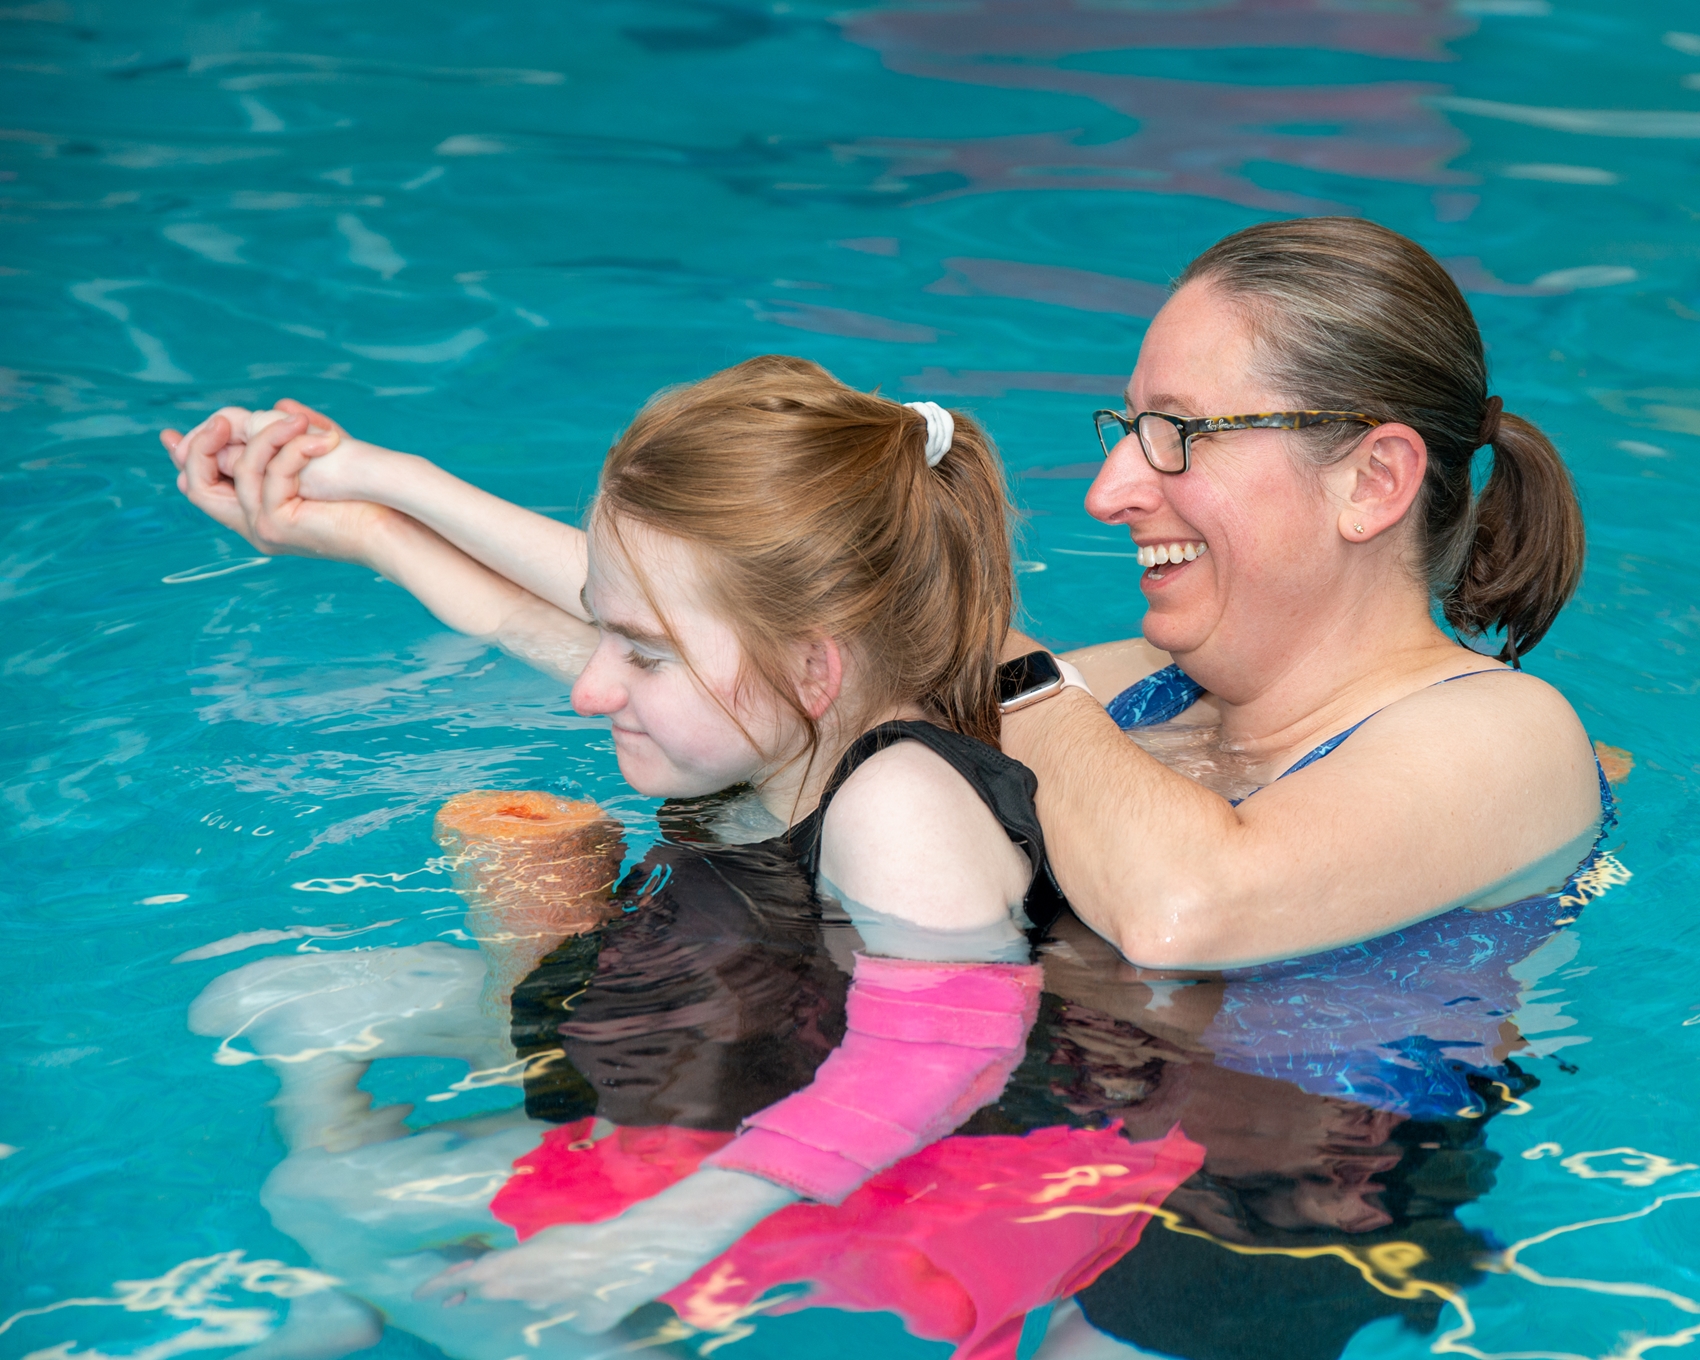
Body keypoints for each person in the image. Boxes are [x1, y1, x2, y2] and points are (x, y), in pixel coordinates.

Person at [162, 356, 1086, 1323]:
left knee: (318, 1197)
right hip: (689, 1030)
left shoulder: (900, 804)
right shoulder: (776, 715)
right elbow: (526, 608)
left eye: (641, 657)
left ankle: (489, 1319)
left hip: (780, 1146)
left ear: (814, 667)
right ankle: (373, 1291)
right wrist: (367, 493)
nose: (590, 689)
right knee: (263, 1002)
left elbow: (945, 1055)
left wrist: (661, 1233)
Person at [997, 216, 1608, 969]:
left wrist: (1015, 680)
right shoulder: (1136, 688)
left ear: (1373, 481)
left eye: (1179, 431)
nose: (1107, 493)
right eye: (1129, 427)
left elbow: (1182, 911)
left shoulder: (1512, 741)